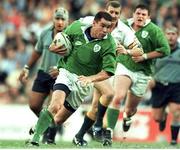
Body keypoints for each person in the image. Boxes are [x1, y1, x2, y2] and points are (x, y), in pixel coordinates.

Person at [29, 11, 117, 147]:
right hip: (67, 73)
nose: (106, 30)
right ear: (94, 23)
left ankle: (38, 125)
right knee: (55, 104)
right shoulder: (77, 28)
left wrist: (90, 79)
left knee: (57, 120)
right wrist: (54, 47)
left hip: (83, 83)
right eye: (103, 26)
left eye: (109, 27)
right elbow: (59, 40)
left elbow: (108, 72)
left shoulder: (109, 43)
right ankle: (34, 140)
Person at [73, 1, 144, 146]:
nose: (114, 15)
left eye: (117, 13)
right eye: (111, 12)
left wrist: (126, 51)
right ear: (106, 11)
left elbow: (140, 51)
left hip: (107, 72)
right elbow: (74, 27)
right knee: (109, 94)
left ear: (120, 14)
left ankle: (79, 136)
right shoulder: (92, 21)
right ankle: (99, 127)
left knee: (95, 106)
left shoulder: (124, 30)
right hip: (89, 68)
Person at [106, 3, 170, 137]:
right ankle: (109, 132)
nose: (140, 16)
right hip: (124, 66)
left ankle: (127, 117)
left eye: (143, 14)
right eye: (138, 14)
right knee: (118, 97)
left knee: (130, 109)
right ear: (133, 14)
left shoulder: (154, 30)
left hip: (143, 72)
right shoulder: (123, 25)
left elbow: (165, 50)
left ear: (148, 17)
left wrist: (144, 56)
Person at [18, 7, 69, 144]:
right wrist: (26, 67)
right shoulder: (45, 33)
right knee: (34, 105)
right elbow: (37, 52)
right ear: (53, 19)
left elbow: (75, 58)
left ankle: (49, 137)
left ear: (67, 21)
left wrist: (62, 69)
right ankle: (50, 124)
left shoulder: (70, 36)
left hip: (61, 75)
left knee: (52, 107)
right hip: (43, 73)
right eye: (57, 18)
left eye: (63, 19)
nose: (60, 22)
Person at [150, 25, 180, 145]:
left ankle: (173, 140)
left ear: (177, 36)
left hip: (176, 86)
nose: (171, 36)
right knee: (157, 118)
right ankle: (163, 117)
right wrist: (150, 78)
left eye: (173, 34)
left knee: (177, 111)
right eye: (168, 34)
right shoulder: (158, 50)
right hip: (159, 86)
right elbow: (149, 65)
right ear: (164, 35)